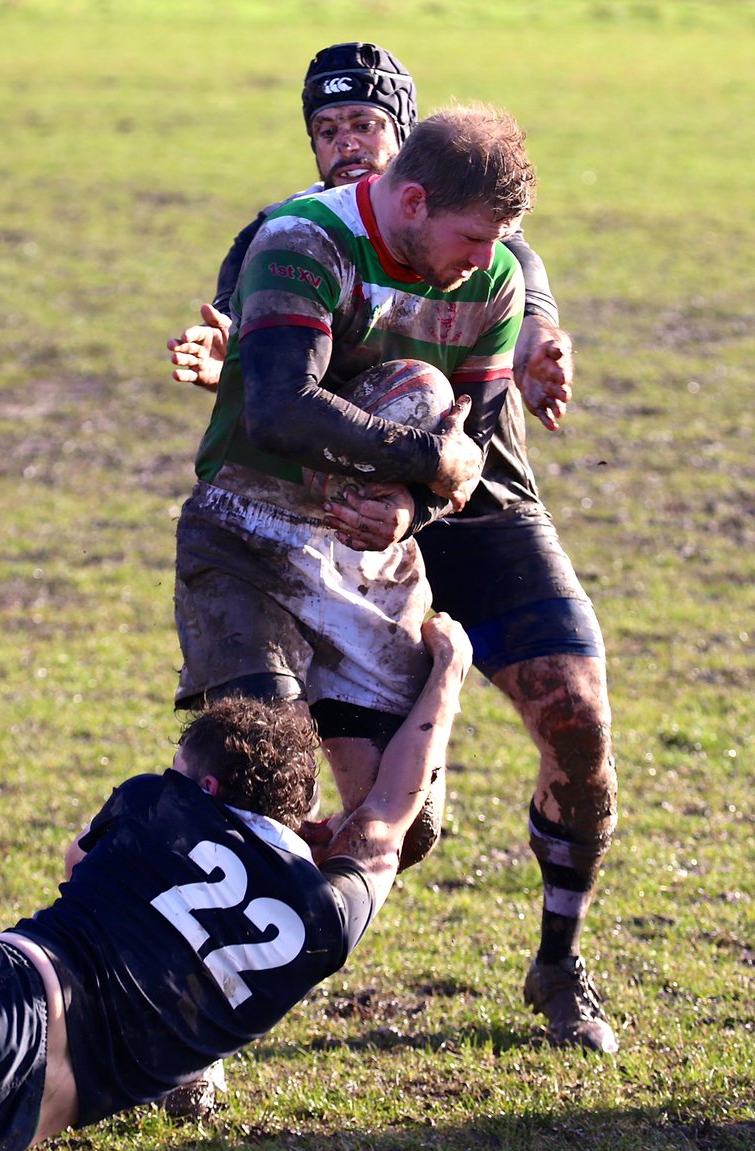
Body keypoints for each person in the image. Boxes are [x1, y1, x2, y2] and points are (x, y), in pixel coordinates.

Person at [169, 43, 619, 1055]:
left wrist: (536, 362)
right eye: (324, 129)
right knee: (285, 782)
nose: (343, 144)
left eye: (362, 126)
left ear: (402, 146)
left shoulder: (483, 241)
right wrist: (221, 374)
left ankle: (558, 961)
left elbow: (513, 322)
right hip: (325, 523)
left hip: (473, 508)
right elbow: (271, 392)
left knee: (577, 722)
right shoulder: (286, 240)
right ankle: (200, 985)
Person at [0, 613, 472, 1151]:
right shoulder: (326, 919)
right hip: (14, 1122)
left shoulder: (156, 802)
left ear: (208, 789)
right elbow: (386, 816)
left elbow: (77, 859)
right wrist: (449, 676)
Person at [172, 100, 533, 870]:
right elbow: (278, 411)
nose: (483, 256)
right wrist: (427, 460)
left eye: (494, 241)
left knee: (401, 834)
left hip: (367, 561)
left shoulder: (493, 278)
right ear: (413, 202)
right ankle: (115, 866)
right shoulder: (304, 239)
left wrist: (412, 505)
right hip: (247, 533)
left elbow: (473, 444)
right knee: (258, 801)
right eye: (471, 236)